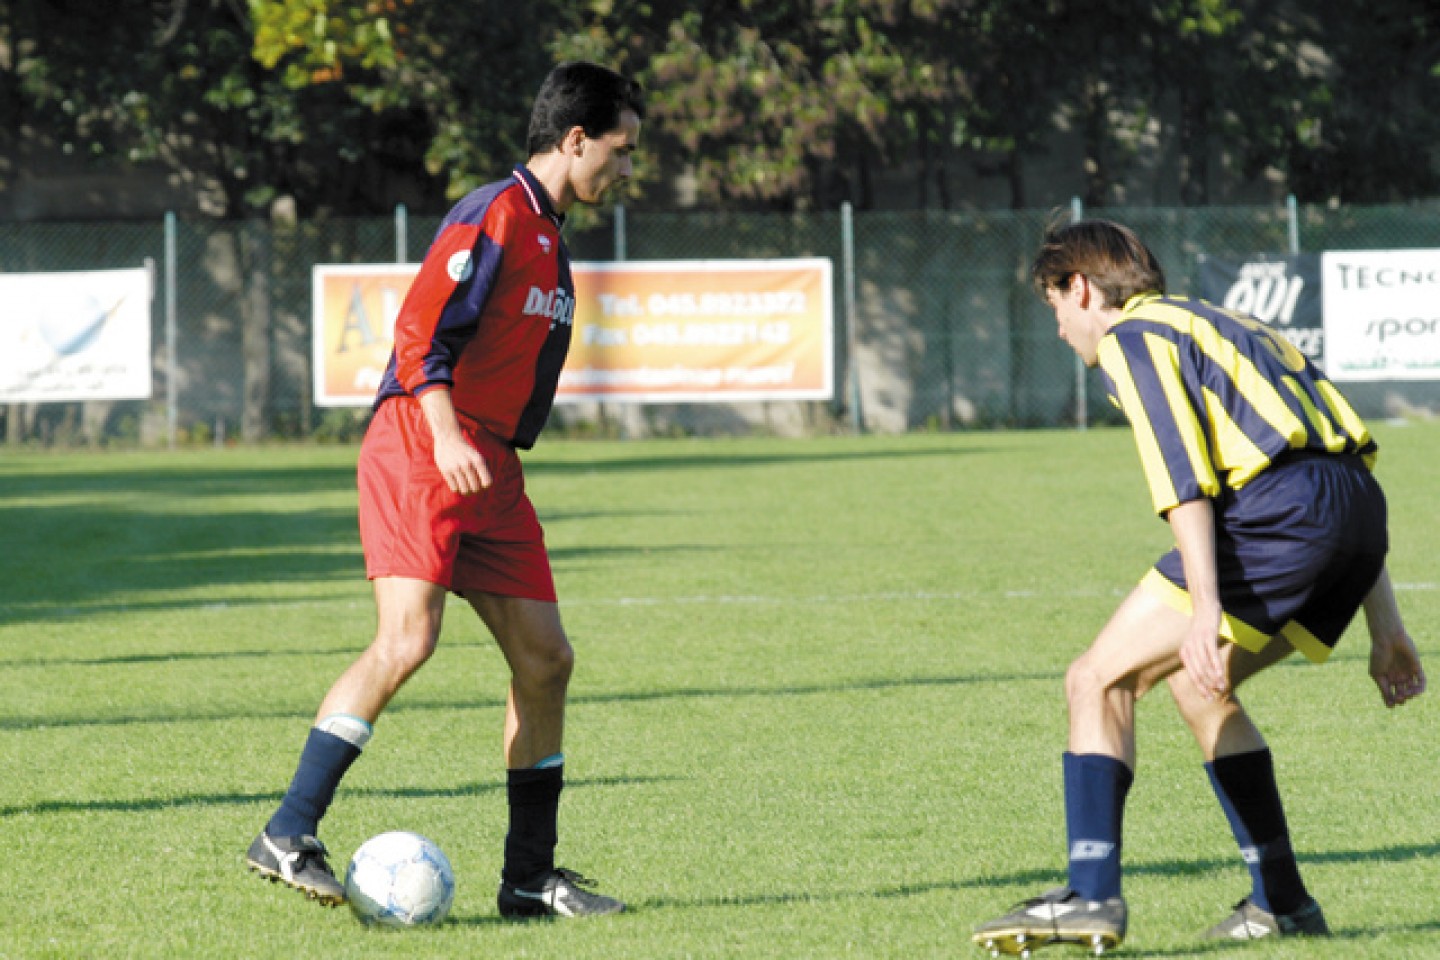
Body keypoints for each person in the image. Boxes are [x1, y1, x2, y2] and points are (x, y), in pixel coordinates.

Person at [245, 61, 645, 920]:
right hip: (425, 446)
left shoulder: (552, 239)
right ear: (576, 140)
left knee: (547, 660)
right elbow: (418, 328)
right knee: (407, 641)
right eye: (622, 148)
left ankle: (530, 879)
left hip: (488, 467)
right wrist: (447, 430)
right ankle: (287, 831)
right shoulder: (492, 212)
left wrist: (484, 445)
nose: (627, 167)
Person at [972, 218, 1427, 956]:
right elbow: (1340, 458)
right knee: (1198, 687)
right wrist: (1387, 628)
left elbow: (1185, 483)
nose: (1059, 328)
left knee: (1096, 680)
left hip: (1277, 517)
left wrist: (1204, 608)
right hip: (1353, 516)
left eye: (1055, 305)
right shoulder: (1230, 322)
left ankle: (1089, 895)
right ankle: (1284, 902)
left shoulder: (1133, 337)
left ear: (1081, 288)